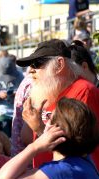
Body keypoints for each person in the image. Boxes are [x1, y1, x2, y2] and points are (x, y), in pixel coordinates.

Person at [16, 39, 99, 169]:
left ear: (60, 64)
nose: (31, 70)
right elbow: (26, 138)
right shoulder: (49, 92)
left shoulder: (84, 91)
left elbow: (78, 150)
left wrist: (39, 128)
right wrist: (31, 120)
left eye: (37, 63)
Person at [0, 97, 99, 179]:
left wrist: (35, 147)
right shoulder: (84, 160)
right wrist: (39, 129)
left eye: (49, 117)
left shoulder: (59, 172)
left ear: (55, 131)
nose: (46, 121)